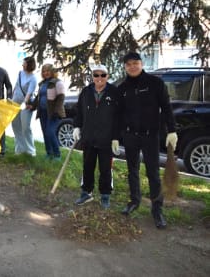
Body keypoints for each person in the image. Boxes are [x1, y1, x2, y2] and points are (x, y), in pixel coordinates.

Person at [118, 52, 177, 228]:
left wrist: (172, 130)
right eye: (128, 64)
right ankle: (134, 201)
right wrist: (116, 136)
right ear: (125, 67)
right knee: (132, 171)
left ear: (142, 63)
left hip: (150, 135)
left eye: (135, 63)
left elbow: (166, 108)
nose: (132, 66)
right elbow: (117, 114)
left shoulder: (155, 83)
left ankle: (157, 209)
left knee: (153, 173)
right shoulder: (122, 88)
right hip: (130, 136)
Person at [72, 64, 120, 208]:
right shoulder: (86, 92)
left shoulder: (114, 92)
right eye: (96, 75)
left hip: (106, 139)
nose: (99, 78)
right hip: (88, 137)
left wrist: (116, 137)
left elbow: (119, 117)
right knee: (87, 166)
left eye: (103, 75)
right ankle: (86, 192)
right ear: (92, 76)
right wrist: (76, 127)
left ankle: (105, 195)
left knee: (105, 169)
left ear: (107, 76)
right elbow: (79, 112)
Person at [31, 63, 65, 160]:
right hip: (43, 112)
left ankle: (57, 154)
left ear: (52, 72)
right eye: (44, 71)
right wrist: (32, 106)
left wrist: (56, 111)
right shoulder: (42, 83)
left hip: (53, 113)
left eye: (48, 71)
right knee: (45, 133)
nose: (45, 73)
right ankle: (49, 153)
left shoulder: (57, 82)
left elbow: (61, 98)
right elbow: (39, 97)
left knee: (50, 132)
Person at [11, 56, 38, 156]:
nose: (22, 65)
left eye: (24, 63)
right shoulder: (20, 73)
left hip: (25, 106)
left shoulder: (33, 78)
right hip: (15, 103)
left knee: (25, 127)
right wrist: (12, 98)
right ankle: (19, 149)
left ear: (29, 65)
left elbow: (29, 93)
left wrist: (24, 103)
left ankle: (31, 151)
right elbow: (16, 86)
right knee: (15, 126)